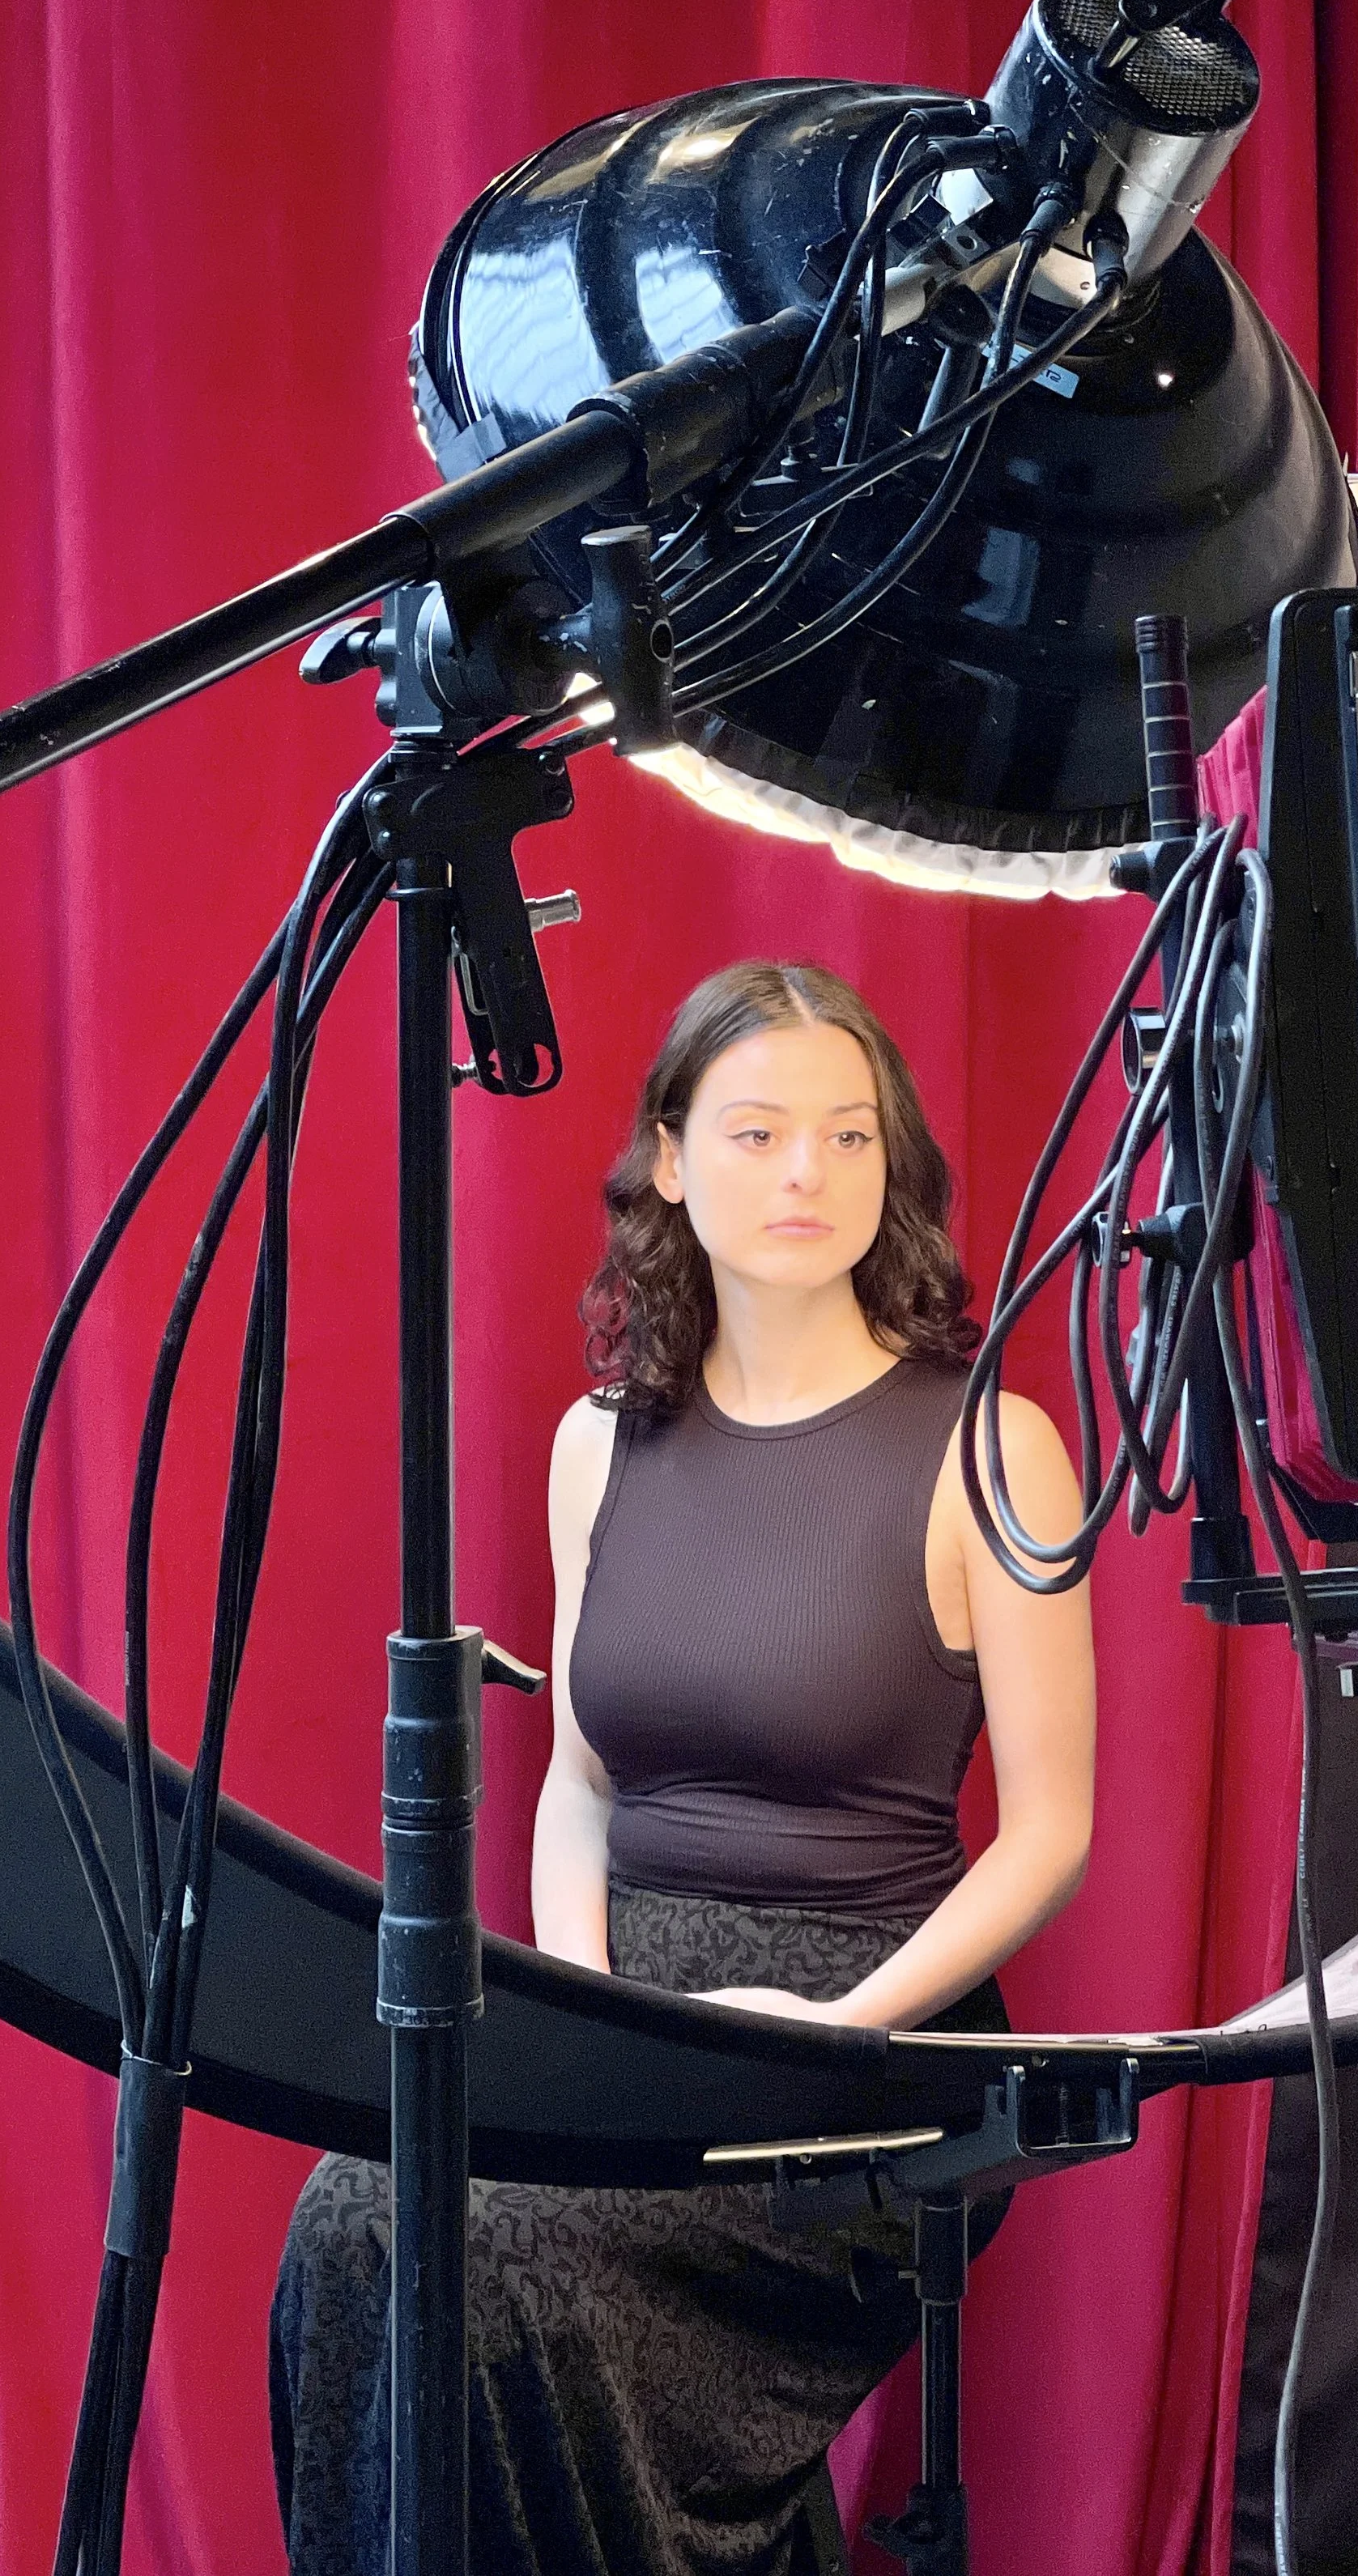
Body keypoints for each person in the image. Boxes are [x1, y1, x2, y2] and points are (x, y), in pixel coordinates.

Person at [270, 960, 1096, 2576]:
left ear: (894, 1168)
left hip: (860, 2026)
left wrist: (835, 2029)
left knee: (509, 2274)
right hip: (621, 1998)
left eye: (850, 1138)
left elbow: (1049, 1832)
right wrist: (583, 2016)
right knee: (355, 2225)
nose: (807, 1174)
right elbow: (580, 1780)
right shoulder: (601, 1439)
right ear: (665, 1154)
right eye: (761, 1129)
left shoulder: (996, 1442)